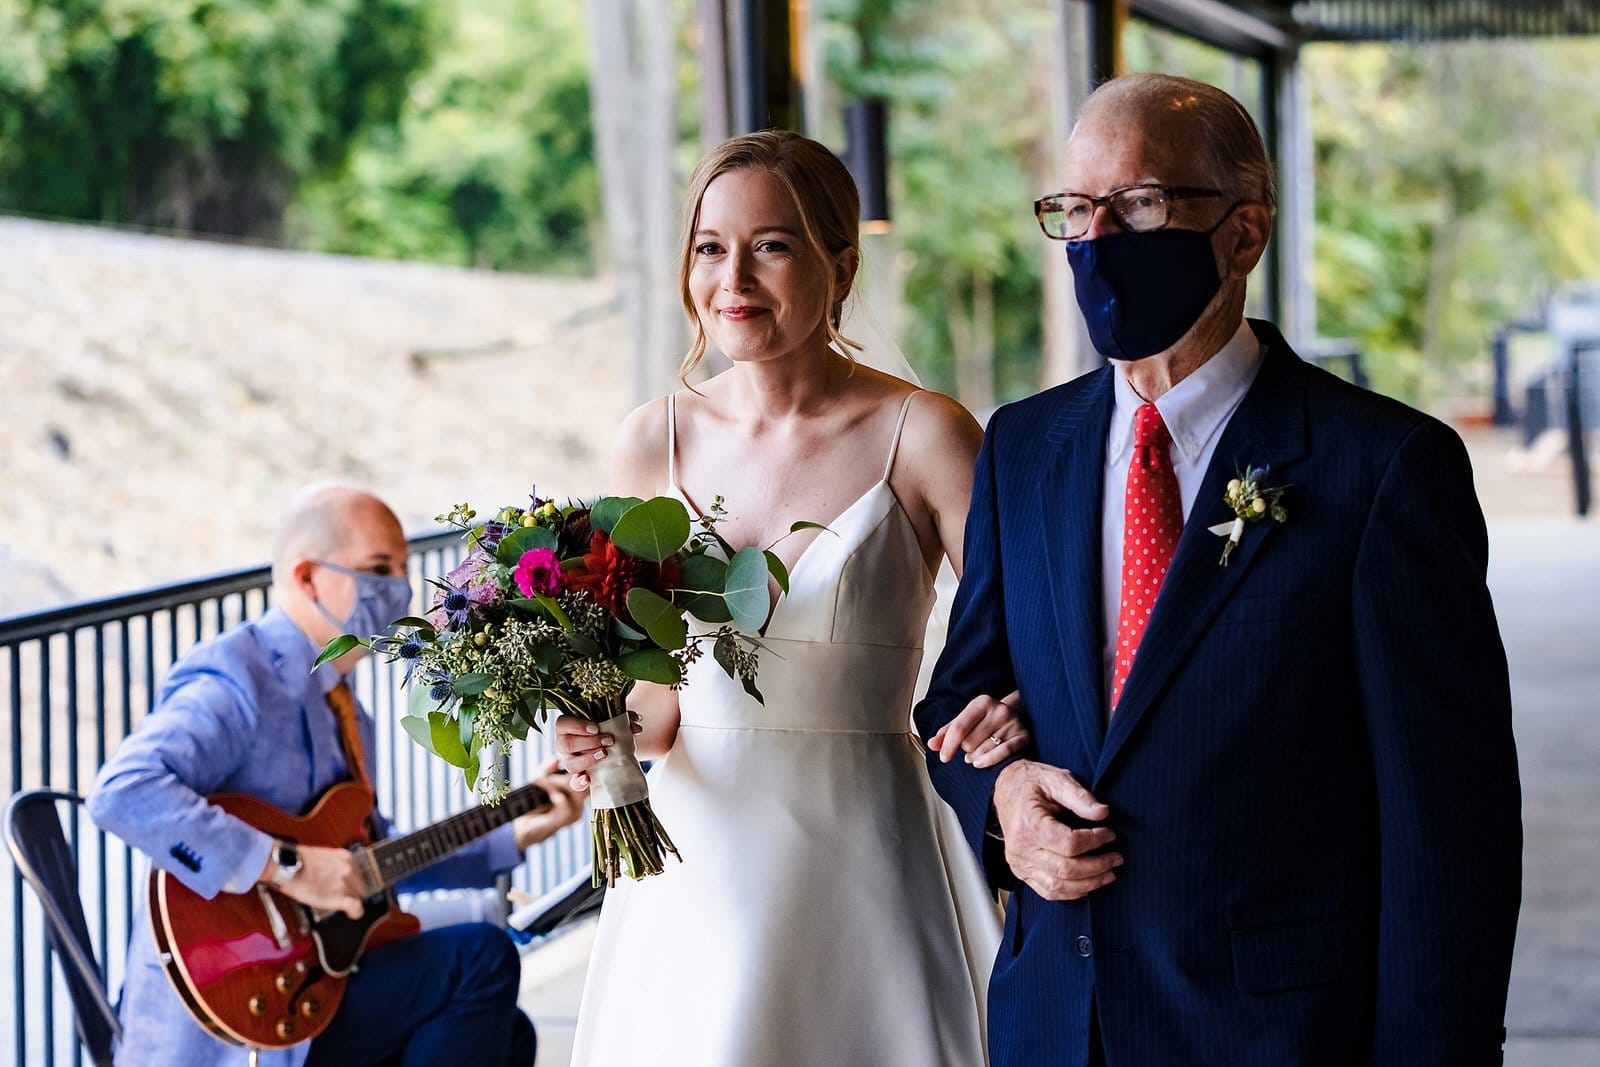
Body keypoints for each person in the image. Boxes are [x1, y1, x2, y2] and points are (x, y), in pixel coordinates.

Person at [915, 71, 1523, 1067]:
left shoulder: (1381, 468)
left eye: (1141, 203)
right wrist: (1002, 803)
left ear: (1243, 233)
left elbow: (1448, 823)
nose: (1098, 238)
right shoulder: (1022, 449)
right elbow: (959, 699)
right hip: (1058, 1022)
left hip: (1281, 1031)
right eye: (1074, 208)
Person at [553, 129, 1029, 1066]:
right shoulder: (651, 443)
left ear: (839, 263)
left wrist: (1005, 725)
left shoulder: (925, 433)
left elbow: (1027, 643)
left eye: (771, 245)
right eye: (710, 246)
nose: (734, 278)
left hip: (868, 849)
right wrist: (595, 733)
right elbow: (655, 709)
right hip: (695, 871)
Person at [89, 484, 584, 1067]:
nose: (399, 588)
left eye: (402, 569)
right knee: (481, 959)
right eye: (378, 569)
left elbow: (365, 863)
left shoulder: (347, 709)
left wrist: (518, 832)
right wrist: (286, 866)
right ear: (306, 578)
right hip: (238, 1019)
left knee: (509, 1034)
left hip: (321, 981)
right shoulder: (237, 683)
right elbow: (123, 790)